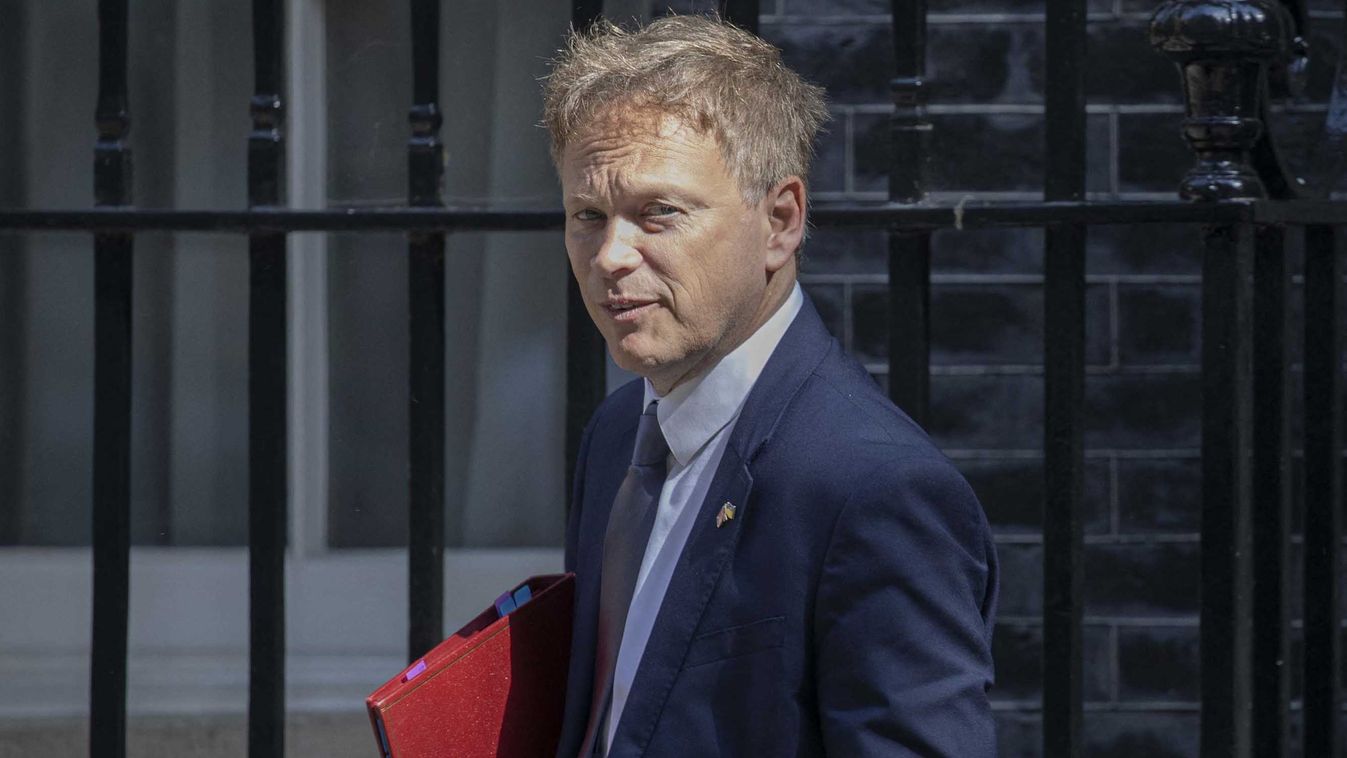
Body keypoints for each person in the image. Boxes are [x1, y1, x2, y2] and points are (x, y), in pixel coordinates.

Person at [542, 15, 998, 757]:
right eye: (587, 217)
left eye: (658, 212)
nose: (611, 256)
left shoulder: (874, 487)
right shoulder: (617, 432)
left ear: (780, 220)